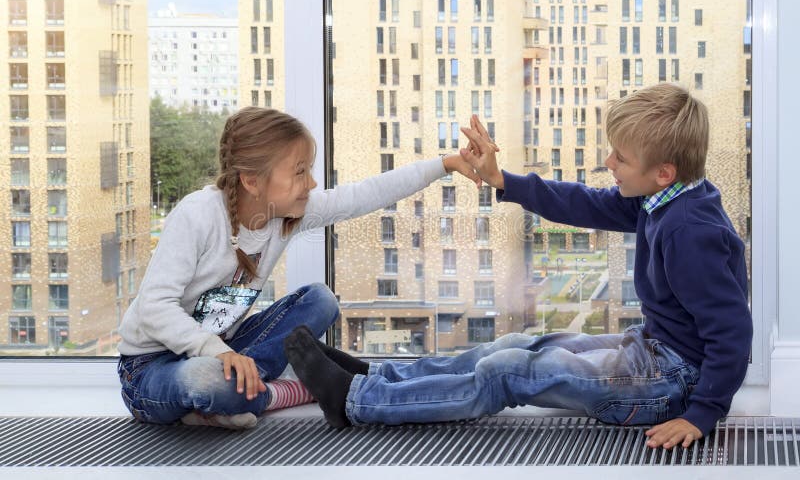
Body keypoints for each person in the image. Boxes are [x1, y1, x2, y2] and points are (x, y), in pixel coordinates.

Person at [285, 84, 752, 450]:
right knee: (513, 343)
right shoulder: (661, 199)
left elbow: (731, 332)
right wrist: (502, 180)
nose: (608, 162)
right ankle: (375, 376)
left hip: (669, 386)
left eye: (620, 158)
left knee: (507, 370)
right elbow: (585, 203)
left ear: (663, 172)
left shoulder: (690, 230)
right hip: (652, 355)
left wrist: (702, 413)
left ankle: (355, 401)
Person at [117, 106, 480, 429]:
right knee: (207, 381)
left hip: (225, 351)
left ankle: (237, 395)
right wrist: (217, 353)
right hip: (151, 367)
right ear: (252, 180)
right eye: (300, 172)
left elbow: (363, 195)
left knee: (320, 301)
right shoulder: (197, 216)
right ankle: (285, 392)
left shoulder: (284, 214)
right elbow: (154, 307)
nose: (312, 183)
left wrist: (446, 164)